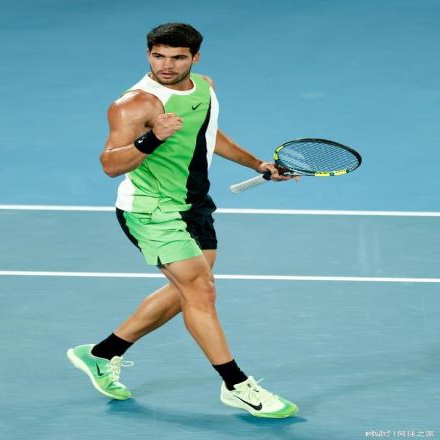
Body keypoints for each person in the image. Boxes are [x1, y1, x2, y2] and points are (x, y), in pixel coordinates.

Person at [67, 22, 298, 418]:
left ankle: (102, 354)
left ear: (195, 58)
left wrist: (257, 163)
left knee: (185, 291)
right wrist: (152, 138)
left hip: (193, 204)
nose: (166, 65)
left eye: (177, 57)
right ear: (148, 54)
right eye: (158, 56)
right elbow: (109, 165)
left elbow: (207, 134)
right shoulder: (135, 104)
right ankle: (236, 384)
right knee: (201, 291)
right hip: (151, 209)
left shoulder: (204, 87)